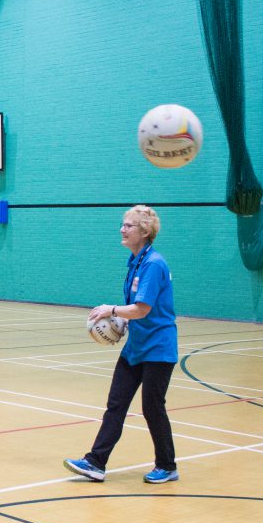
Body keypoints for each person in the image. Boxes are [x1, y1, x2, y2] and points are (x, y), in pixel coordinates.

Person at [63, 205, 179, 484]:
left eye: (129, 225)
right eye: (123, 224)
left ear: (145, 231)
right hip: (136, 347)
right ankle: (95, 462)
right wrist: (122, 322)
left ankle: (167, 465)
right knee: (116, 404)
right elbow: (135, 311)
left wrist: (110, 310)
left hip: (158, 349)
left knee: (152, 408)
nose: (122, 229)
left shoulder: (153, 264)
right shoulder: (136, 261)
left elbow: (142, 308)